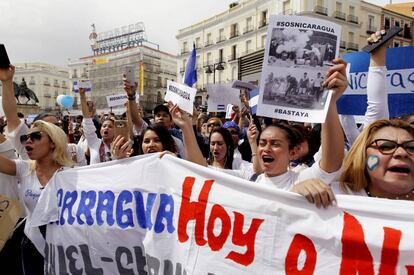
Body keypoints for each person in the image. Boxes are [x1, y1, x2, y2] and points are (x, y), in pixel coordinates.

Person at [253, 58, 347, 191]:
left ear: (292, 152)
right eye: (262, 143)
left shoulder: (301, 180)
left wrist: (329, 102)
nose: (266, 148)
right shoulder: (250, 182)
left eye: (275, 144)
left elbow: (331, 163)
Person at [0, 120, 74, 275]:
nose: (28, 140)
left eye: (35, 136)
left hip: (65, 246)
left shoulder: (72, 174)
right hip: (32, 243)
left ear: (53, 143)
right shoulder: (24, 168)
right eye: (25, 138)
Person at [0, 66, 87, 166]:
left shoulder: (74, 150)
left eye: (57, 125)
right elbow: (12, 118)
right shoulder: (28, 160)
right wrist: (6, 81)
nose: (54, 130)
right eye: (47, 127)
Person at [169, 103, 258, 180]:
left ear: (228, 145)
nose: (215, 148)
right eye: (212, 143)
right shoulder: (204, 164)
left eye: (220, 144)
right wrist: (186, 125)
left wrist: (253, 142)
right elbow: (193, 160)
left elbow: (257, 172)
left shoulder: (238, 165)